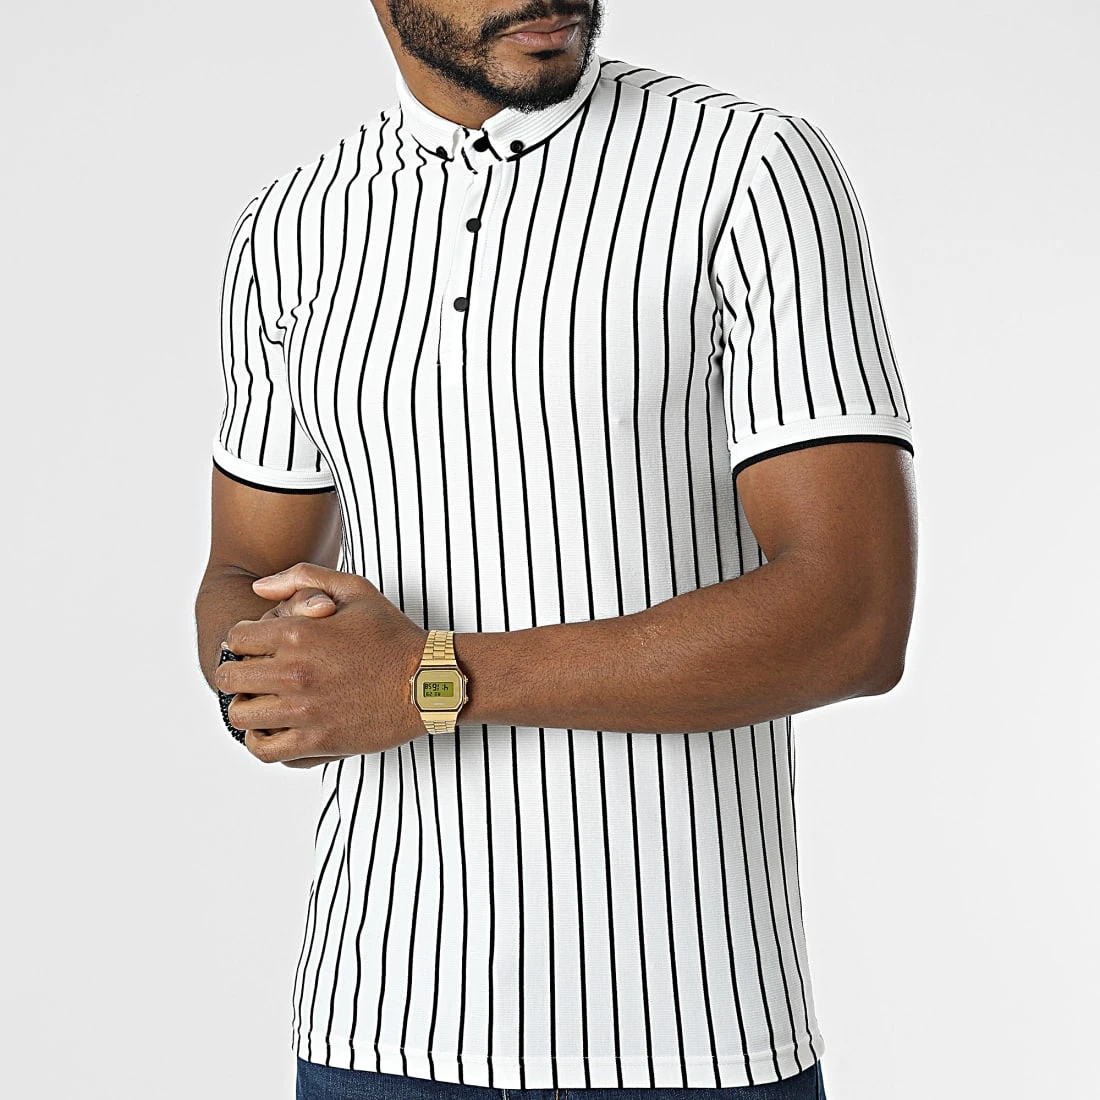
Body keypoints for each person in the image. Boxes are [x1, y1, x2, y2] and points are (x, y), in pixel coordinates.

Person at [194, 2, 917, 1097]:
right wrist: (268, 684)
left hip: (690, 1028)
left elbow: (853, 615)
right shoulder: (290, 226)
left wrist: (424, 680)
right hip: (373, 1022)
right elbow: (241, 573)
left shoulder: (746, 169)